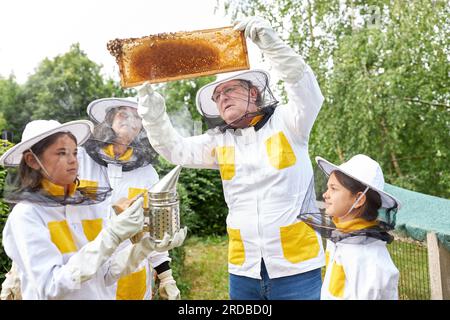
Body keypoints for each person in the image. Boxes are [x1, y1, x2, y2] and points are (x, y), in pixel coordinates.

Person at [136, 16, 325, 300]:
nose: (222, 97)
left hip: (297, 267)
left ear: (253, 93)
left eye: (230, 89)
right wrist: (151, 112)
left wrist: (272, 45)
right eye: (217, 95)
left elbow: (307, 90)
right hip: (243, 270)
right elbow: (172, 148)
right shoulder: (219, 141)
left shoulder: (289, 122)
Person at [0, 119, 181, 299]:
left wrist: (145, 247)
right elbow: (51, 286)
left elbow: (106, 273)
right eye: (61, 153)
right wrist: (112, 236)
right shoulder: (27, 216)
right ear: (32, 160)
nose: (73, 160)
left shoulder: (87, 206)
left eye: (74, 152)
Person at [81, 97, 185, 300]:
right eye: (123, 114)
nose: (130, 121)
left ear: (142, 128)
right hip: (85, 275)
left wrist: (166, 277)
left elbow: (152, 232)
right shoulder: (80, 161)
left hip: (130, 275)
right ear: (110, 119)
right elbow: (52, 212)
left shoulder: (147, 174)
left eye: (138, 117)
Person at [315, 154, 400, 300]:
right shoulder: (340, 236)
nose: (325, 194)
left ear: (359, 199)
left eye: (333, 188)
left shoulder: (372, 263)